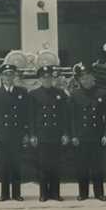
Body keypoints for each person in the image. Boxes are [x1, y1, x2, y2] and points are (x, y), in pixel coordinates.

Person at [69, 63, 106, 201]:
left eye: (88, 78)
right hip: (81, 137)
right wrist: (74, 135)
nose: (86, 81)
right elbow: (72, 118)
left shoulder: (103, 94)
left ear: (94, 78)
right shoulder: (75, 95)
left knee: (97, 167)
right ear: (79, 80)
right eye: (83, 78)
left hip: (97, 136)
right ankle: (83, 193)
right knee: (82, 167)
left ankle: (99, 193)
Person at [0, 64, 29, 201]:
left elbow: (25, 114)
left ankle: (17, 193)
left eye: (11, 74)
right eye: (5, 74)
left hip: (17, 133)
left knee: (16, 163)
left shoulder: (22, 92)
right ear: (1, 77)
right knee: (4, 164)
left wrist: (25, 133)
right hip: (2, 134)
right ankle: (4, 194)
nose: (8, 77)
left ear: (14, 76)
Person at [29, 65, 70, 202]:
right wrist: (33, 135)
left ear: (53, 78)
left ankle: (55, 193)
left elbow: (65, 116)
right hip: (42, 135)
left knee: (56, 165)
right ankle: (43, 194)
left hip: (56, 134)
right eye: (44, 77)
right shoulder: (34, 95)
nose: (47, 79)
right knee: (43, 165)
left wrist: (65, 133)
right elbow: (31, 117)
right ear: (40, 79)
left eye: (50, 77)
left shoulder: (60, 94)